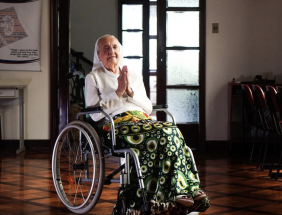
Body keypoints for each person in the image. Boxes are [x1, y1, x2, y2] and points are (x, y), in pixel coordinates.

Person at [85, 34, 209, 215]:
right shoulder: (93, 78)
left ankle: (186, 190)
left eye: (114, 47)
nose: (111, 51)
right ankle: (168, 195)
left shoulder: (132, 74)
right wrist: (117, 93)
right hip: (116, 123)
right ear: (98, 54)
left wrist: (130, 91)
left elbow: (148, 106)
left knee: (171, 131)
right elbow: (94, 114)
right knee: (160, 134)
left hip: (141, 119)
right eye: (106, 48)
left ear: (120, 51)